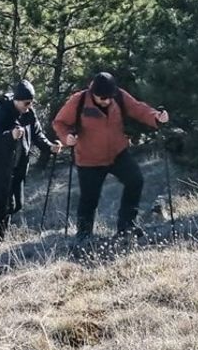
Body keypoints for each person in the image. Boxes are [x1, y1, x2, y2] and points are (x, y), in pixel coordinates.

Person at [52, 72, 169, 241]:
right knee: (89, 199)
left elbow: (138, 108)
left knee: (135, 180)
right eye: (102, 98)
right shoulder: (78, 101)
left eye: (109, 98)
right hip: (89, 159)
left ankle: (126, 226)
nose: (106, 101)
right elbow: (59, 123)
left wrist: (156, 117)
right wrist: (67, 137)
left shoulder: (119, 95)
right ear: (93, 93)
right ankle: (84, 236)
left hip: (117, 154)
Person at [0, 80, 61, 239]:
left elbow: (37, 135)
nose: (29, 106)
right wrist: (9, 136)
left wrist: (50, 147)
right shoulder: (1, 112)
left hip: (19, 167)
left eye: (31, 103)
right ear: (16, 100)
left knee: (16, 205)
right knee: (3, 206)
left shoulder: (29, 113)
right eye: (26, 103)